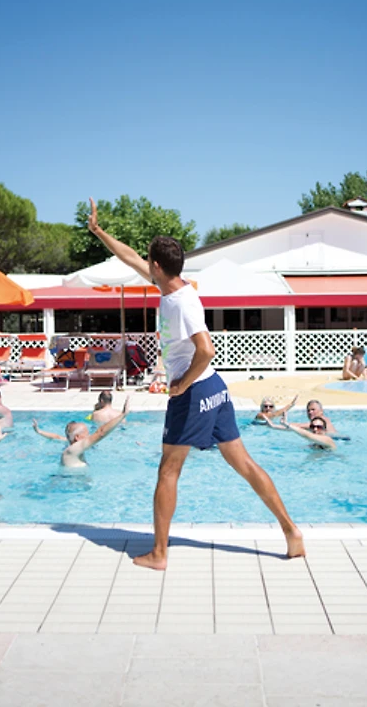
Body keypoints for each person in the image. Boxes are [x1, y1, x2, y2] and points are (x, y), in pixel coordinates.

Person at [88, 197, 305, 568]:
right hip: (214, 388)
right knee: (245, 464)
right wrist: (99, 232)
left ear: (158, 267)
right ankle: (291, 532)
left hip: (195, 391)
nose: (144, 264)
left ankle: (159, 553)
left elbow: (206, 349)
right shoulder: (171, 286)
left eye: (149, 261)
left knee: (168, 470)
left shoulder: (181, 302)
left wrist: (181, 385)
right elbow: (130, 258)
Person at [32, 397, 129, 468]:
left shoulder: (72, 449)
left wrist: (39, 431)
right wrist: (122, 415)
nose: (89, 436)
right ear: (77, 437)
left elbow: (56, 437)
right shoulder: (73, 450)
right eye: (86, 434)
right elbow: (100, 433)